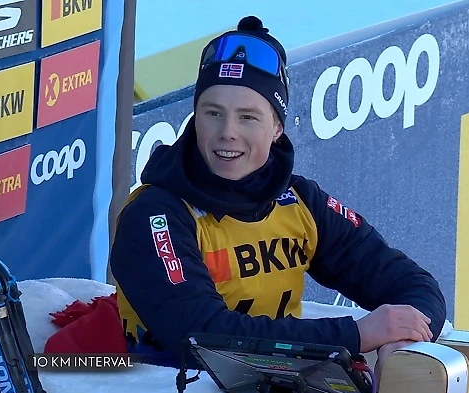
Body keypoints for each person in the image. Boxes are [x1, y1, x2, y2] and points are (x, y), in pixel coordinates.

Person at [109, 15, 446, 374]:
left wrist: (402, 342)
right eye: (213, 113)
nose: (228, 132)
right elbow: (200, 337)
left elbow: (414, 285)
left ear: (277, 128)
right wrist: (356, 335)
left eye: (248, 117)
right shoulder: (155, 214)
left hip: (272, 383)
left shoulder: (298, 200)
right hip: (164, 387)